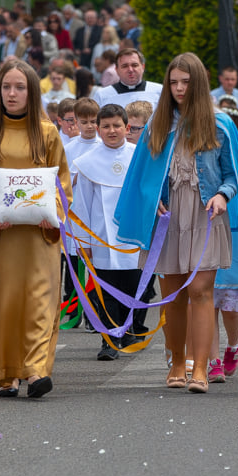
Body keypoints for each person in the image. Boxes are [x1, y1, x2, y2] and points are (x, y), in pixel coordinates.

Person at [115, 52, 238, 394]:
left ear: (199, 84)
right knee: (172, 294)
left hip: (206, 215)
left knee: (201, 290)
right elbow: (142, 177)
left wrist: (222, 194)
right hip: (169, 217)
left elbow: (236, 176)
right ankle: (177, 362)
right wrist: (151, 200)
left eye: (185, 82)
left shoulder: (221, 124)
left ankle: (201, 369)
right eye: (173, 82)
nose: (178, 88)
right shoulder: (156, 125)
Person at [0, 59, 72, 398]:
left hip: (39, 236)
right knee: (5, 302)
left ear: (31, 92)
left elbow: (61, 186)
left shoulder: (49, 133)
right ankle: (6, 373)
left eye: (19, 87)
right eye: (6, 87)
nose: (12, 93)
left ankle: (35, 371)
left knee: (39, 300)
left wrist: (52, 214)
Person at [72, 104, 142, 359]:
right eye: (106, 126)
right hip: (101, 236)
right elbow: (81, 207)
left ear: (127, 128)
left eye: (116, 126)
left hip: (134, 235)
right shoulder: (87, 163)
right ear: (99, 129)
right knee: (107, 289)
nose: (111, 131)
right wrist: (84, 241)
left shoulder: (139, 156)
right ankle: (110, 339)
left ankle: (129, 328)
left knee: (134, 287)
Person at [93, 48, 162, 109]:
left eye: (134, 65)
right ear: (117, 70)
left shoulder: (159, 91)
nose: (130, 70)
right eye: (125, 66)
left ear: (143, 67)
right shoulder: (102, 95)